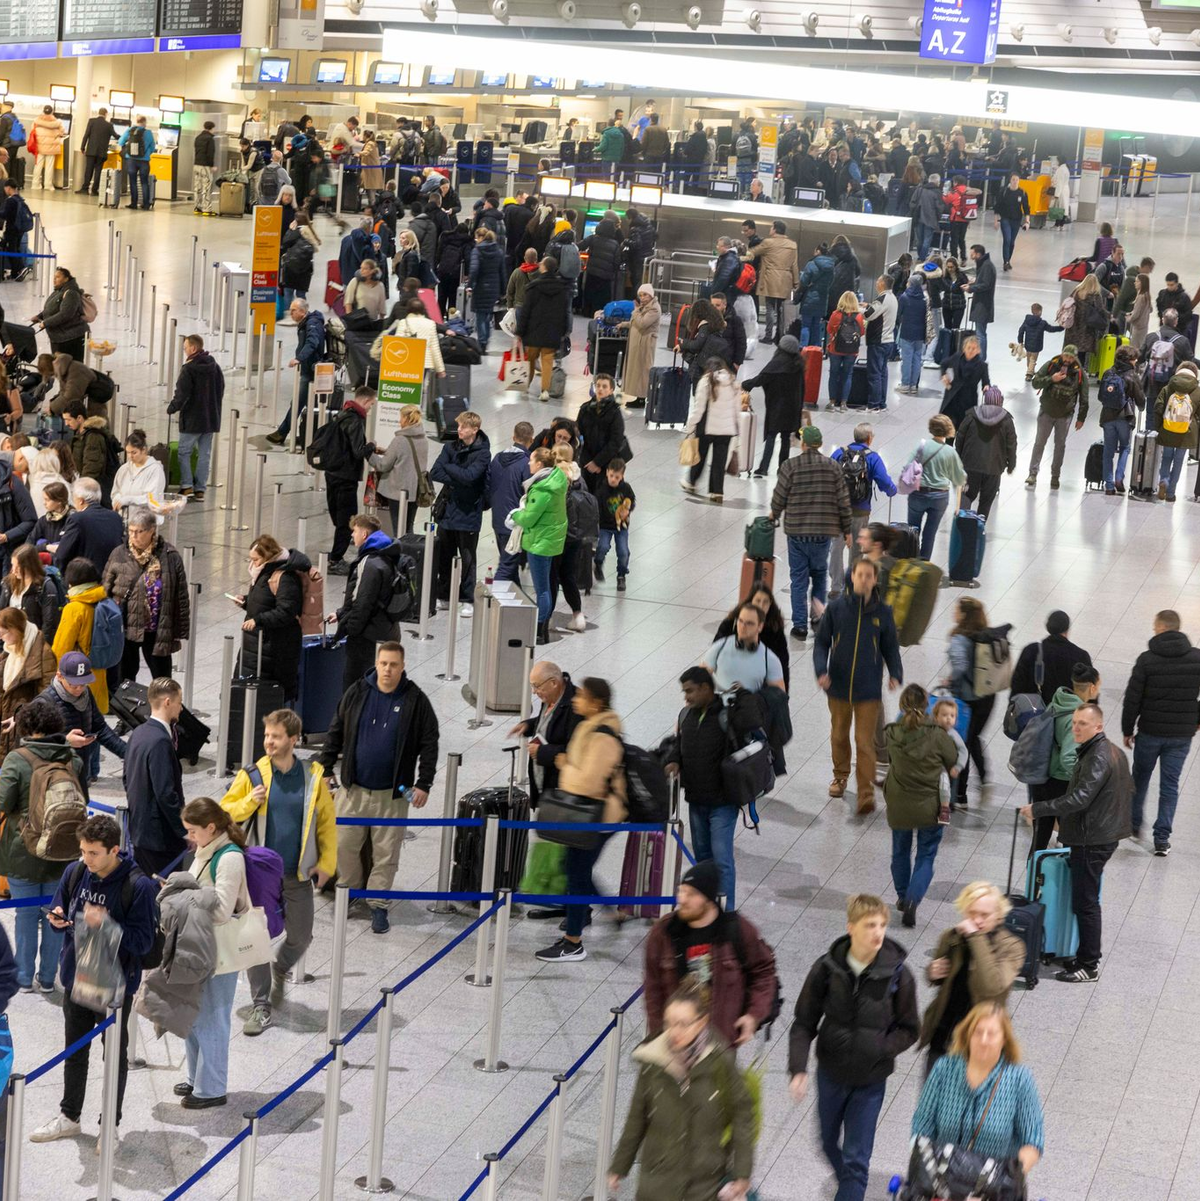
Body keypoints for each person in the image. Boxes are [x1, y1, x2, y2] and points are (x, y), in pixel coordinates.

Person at [31, 813, 158, 1142]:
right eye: (83, 851)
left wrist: (106, 925)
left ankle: (109, 1126)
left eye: (93, 853)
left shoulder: (138, 886)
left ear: (114, 850)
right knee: (74, 1052)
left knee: (113, 1057)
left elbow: (143, 942)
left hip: (114, 986)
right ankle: (69, 1116)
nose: (86, 859)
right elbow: (62, 906)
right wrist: (59, 918)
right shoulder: (75, 872)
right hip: (76, 978)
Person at [788, 894, 919, 1201]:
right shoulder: (827, 969)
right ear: (851, 928)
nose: (878, 932)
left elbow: (911, 1028)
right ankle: (849, 1183)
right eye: (870, 925)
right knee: (827, 1142)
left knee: (857, 1160)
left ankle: (850, 1187)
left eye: (882, 925)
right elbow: (803, 1023)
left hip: (870, 1082)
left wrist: (881, 1047)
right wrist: (798, 1069)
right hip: (831, 1073)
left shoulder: (898, 974)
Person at [221, 708, 335, 1035]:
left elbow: (326, 823)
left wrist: (326, 864)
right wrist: (248, 803)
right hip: (260, 876)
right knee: (256, 939)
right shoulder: (253, 775)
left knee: (301, 936)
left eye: (276, 736)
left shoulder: (313, 777)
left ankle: (280, 969)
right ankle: (261, 1006)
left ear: (293, 739)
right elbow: (224, 812)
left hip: (297, 874)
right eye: (267, 736)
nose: (269, 742)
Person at [317, 641, 438, 935]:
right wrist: (325, 767)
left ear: (403, 666)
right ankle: (349, 892)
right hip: (353, 789)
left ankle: (379, 904)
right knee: (345, 846)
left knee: (386, 852)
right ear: (377, 663)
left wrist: (423, 783)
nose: (387, 669)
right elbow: (336, 729)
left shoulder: (415, 700)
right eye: (383, 663)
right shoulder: (357, 692)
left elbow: (429, 742)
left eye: (394, 665)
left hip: (392, 794)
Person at [609, 978, 753, 1201]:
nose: (674, 1032)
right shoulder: (653, 1060)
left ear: (701, 1022)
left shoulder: (720, 1061)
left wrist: (742, 1171)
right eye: (669, 1023)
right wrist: (620, 1165)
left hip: (704, 1182)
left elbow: (743, 1111)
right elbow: (637, 1116)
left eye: (683, 1024)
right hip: (657, 1181)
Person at [1020, 701, 1132, 983]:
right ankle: (1081, 956)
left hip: (1092, 839)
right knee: (1085, 899)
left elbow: (1080, 798)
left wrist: (1040, 808)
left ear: (1098, 726)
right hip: (1100, 833)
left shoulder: (1098, 756)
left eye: (1083, 724)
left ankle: (1089, 964)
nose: (1076, 729)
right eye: (1074, 723)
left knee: (1086, 902)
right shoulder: (1111, 751)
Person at [534, 678, 627, 963]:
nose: (575, 700)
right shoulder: (591, 727)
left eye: (582, 696)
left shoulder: (603, 736)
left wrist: (563, 764)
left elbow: (587, 781)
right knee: (574, 867)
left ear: (596, 702)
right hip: (592, 815)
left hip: (600, 817)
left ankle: (573, 941)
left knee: (576, 871)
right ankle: (612, 910)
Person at [642, 858, 778, 1047]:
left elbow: (763, 972)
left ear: (708, 899)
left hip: (718, 1048)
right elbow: (653, 988)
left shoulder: (737, 931)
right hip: (672, 1043)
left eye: (691, 894)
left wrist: (753, 1015)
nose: (682, 899)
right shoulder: (664, 932)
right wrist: (658, 1035)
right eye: (681, 891)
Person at [0, 697, 81, 993]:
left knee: (25, 914)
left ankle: (23, 977)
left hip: (23, 850)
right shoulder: (73, 758)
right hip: (64, 850)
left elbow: (3, 801)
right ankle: (48, 978)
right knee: (56, 912)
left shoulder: (17, 759)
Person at [912, 1003, 1044, 1177]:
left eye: (992, 1034)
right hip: (943, 1183)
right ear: (967, 1035)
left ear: (1004, 1039)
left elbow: (1033, 1141)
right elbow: (922, 1126)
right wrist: (930, 1175)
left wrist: (1004, 1180)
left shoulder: (1019, 1079)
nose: (983, 1040)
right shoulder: (943, 1069)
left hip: (994, 1186)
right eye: (978, 1032)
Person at [816, 559, 902, 815]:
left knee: (865, 742)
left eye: (869, 575)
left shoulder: (883, 613)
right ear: (852, 577)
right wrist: (821, 671)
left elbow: (891, 648)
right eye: (859, 574)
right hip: (839, 686)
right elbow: (821, 643)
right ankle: (840, 776)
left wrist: (896, 673)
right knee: (839, 734)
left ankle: (865, 792)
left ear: (875, 580)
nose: (864, 579)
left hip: (868, 689)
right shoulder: (836, 608)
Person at [920, 883, 1025, 1074]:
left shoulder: (1012, 947)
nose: (976, 920)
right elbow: (942, 978)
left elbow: (991, 985)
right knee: (931, 1100)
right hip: (944, 1035)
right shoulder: (951, 938)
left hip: (981, 1041)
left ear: (999, 916)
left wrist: (976, 937)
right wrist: (932, 972)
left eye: (984, 915)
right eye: (971, 913)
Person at [663, 669, 748, 904]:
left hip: (723, 803)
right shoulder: (686, 716)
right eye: (684, 692)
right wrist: (673, 760)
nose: (686, 697)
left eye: (690, 691)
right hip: (696, 800)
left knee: (721, 860)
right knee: (703, 861)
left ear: (706, 688)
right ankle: (708, 909)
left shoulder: (726, 716)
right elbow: (678, 745)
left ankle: (727, 913)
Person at [1122, 609, 1200, 856]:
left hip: (1149, 732)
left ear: (1164, 628)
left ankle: (1134, 825)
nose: (1153, 631)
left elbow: (1132, 698)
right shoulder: (1197, 658)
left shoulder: (1146, 659)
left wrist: (1127, 729)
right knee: (1170, 785)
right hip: (1181, 736)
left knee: (1140, 779)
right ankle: (1162, 839)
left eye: (1155, 627)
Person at [882, 684, 956, 926]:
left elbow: (888, 758)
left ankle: (903, 897)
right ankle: (914, 900)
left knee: (900, 851)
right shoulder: (938, 735)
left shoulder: (892, 733)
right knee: (926, 854)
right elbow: (952, 759)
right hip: (930, 807)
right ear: (928, 707)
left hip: (899, 803)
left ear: (902, 705)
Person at [770, 424, 852, 640]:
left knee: (798, 579)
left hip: (797, 532)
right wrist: (847, 530)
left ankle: (799, 626)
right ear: (820, 444)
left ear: (804, 443)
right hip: (823, 533)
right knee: (818, 575)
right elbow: (843, 501)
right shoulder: (833, 467)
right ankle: (817, 618)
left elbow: (779, 495)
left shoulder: (790, 465)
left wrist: (774, 514)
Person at [102, 508, 189, 686]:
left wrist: (181, 630)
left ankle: (165, 711)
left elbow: (181, 596)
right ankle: (126, 712)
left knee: (162, 679)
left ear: (152, 531)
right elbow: (106, 588)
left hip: (157, 629)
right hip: (126, 628)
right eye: (131, 531)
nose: (133, 536)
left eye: (139, 531)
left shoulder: (170, 556)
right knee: (125, 677)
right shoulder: (119, 553)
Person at [121, 676, 187, 877]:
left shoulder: (138, 733)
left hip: (140, 832)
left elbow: (126, 778)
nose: (181, 709)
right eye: (179, 702)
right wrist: (184, 830)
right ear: (168, 702)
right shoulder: (160, 741)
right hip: (160, 840)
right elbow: (166, 793)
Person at [327, 513, 403, 688]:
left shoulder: (371, 563)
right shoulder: (387, 553)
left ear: (364, 534)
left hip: (368, 636)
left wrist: (350, 629)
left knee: (356, 688)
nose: (352, 535)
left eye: (354, 531)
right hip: (387, 629)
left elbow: (363, 602)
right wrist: (341, 614)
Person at [429, 410, 489, 617]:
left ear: (475, 429)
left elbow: (471, 477)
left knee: (467, 558)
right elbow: (435, 472)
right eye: (459, 425)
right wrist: (458, 475)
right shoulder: (449, 447)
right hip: (447, 510)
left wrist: (450, 468)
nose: (459, 430)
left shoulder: (483, 452)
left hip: (468, 512)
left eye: (463, 426)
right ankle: (443, 595)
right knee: (445, 555)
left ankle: (467, 598)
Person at [508, 446, 567, 645]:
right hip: (550, 539)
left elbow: (529, 519)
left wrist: (514, 514)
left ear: (540, 464)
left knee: (542, 589)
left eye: (532, 460)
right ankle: (543, 626)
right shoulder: (555, 479)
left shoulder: (542, 489)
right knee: (548, 586)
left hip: (540, 542)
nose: (528, 463)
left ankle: (540, 630)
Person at [828, 423, 897, 587]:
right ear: (869, 439)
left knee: (836, 548)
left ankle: (836, 586)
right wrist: (892, 491)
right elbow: (885, 482)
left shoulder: (839, 453)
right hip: (860, 510)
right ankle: (852, 585)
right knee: (858, 550)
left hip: (839, 510)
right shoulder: (872, 457)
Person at [318, 387, 375, 575]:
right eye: (371, 405)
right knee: (347, 519)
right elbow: (358, 451)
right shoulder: (356, 421)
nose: (370, 409)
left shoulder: (342, 413)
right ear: (365, 402)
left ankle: (338, 547)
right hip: (346, 476)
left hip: (332, 472)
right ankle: (336, 559)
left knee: (337, 515)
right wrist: (372, 447)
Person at [509, 660, 581, 811]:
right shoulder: (551, 696)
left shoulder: (576, 707)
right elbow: (548, 721)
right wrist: (529, 725)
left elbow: (575, 751)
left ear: (553, 683)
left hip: (561, 792)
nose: (534, 691)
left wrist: (541, 752)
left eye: (537, 686)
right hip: (544, 787)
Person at [167, 334, 224, 503]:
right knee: (204, 454)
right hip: (210, 418)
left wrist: (173, 407)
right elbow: (221, 389)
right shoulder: (215, 366)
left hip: (192, 419)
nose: (184, 351)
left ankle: (187, 486)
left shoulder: (188, 369)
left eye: (185, 348)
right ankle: (200, 490)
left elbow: (182, 394)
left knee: (184, 452)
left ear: (193, 348)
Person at [903, 415, 966, 561]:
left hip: (918, 494)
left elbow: (908, 467)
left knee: (913, 530)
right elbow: (959, 478)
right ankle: (924, 565)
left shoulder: (922, 446)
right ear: (948, 430)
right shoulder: (950, 452)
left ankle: (910, 562)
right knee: (930, 534)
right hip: (940, 497)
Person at [51, 558, 110, 715]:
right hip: (98, 671)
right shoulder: (103, 601)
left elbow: (61, 648)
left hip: (77, 677)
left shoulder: (74, 608)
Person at [1026, 345, 1089, 490]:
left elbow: (1084, 397)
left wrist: (1081, 418)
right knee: (1039, 443)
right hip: (1046, 412)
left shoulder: (1079, 373)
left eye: (1071, 357)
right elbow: (1035, 382)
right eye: (1066, 356)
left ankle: (1055, 476)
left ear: (1075, 358)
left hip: (1065, 416)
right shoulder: (1050, 365)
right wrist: (1051, 379)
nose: (1067, 360)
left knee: (1060, 446)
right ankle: (1032, 473)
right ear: (1062, 355)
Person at [742, 335, 804, 477]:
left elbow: (762, 378)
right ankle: (783, 468)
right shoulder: (798, 365)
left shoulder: (776, 363)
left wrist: (746, 384)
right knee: (785, 438)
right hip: (792, 408)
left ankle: (764, 467)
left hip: (777, 407)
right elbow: (802, 389)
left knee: (771, 436)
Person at [267, 299, 325, 447]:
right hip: (309, 369)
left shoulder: (312, 324)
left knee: (298, 403)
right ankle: (309, 435)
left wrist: (299, 358)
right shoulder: (309, 322)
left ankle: (282, 432)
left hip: (311, 372)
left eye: (293, 310)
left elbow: (313, 342)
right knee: (307, 405)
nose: (291, 313)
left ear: (302, 311)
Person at [954, 386, 1017, 520]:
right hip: (994, 468)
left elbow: (960, 438)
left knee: (967, 495)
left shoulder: (971, 416)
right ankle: (979, 529)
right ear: (1000, 401)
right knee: (986, 501)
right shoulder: (1006, 420)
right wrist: (1011, 464)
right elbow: (1011, 445)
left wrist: (958, 459)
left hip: (970, 465)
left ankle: (963, 527)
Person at [515, 257, 572, 401]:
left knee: (531, 361)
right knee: (547, 361)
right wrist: (564, 331)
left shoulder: (533, 287)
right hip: (552, 331)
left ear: (544, 267)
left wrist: (519, 332)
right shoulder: (562, 289)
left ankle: (526, 387)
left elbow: (525, 311)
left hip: (534, 330)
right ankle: (545, 391)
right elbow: (565, 311)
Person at [682, 358, 739, 504]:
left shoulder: (706, 381)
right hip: (726, 430)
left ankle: (691, 483)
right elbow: (736, 409)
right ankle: (717, 492)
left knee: (700, 456)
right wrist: (736, 427)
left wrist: (690, 426)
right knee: (719, 462)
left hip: (707, 428)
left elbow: (699, 409)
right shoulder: (733, 381)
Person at [369, 404, 427, 538]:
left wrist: (369, 455)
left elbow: (383, 466)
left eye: (400, 418)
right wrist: (386, 452)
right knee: (408, 528)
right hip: (415, 491)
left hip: (398, 492)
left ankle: (400, 556)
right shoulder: (423, 439)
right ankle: (409, 554)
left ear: (406, 419)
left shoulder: (400, 440)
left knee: (398, 529)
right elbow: (409, 458)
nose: (399, 421)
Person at [746, 220, 799, 345]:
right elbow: (794, 265)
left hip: (770, 278)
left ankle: (768, 335)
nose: (770, 230)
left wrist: (739, 254)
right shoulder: (792, 245)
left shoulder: (768, 243)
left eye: (771, 227)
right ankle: (780, 335)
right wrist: (796, 282)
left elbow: (753, 252)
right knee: (781, 309)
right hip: (785, 280)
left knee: (770, 307)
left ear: (775, 229)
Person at [1152, 360, 1200, 502]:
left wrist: (1159, 427)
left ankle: (1164, 480)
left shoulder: (1168, 388)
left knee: (1166, 457)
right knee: (1178, 461)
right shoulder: (1197, 391)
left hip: (1168, 429)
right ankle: (1171, 493)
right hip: (1186, 433)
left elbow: (1158, 408)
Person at [53, 478, 122, 576]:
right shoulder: (115, 517)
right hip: (112, 577)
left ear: (81, 501)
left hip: (86, 578)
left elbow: (62, 555)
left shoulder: (77, 519)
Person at [2, 544, 63, 641]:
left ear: (30, 566)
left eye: (18, 567)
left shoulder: (46, 586)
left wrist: (40, 647)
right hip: (9, 643)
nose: (14, 570)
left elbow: (49, 623)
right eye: (13, 565)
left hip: (33, 643)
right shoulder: (8, 583)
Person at [593, 456, 635, 592]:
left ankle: (621, 575)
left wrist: (628, 510)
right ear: (607, 473)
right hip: (605, 526)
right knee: (602, 547)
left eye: (617, 477)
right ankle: (598, 563)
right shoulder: (601, 488)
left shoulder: (626, 488)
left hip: (621, 527)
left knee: (623, 551)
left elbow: (631, 501)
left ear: (622, 477)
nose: (613, 479)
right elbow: (596, 505)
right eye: (611, 476)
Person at [63, 403, 116, 506]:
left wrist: (81, 489)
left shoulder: (93, 437)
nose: (66, 424)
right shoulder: (81, 434)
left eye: (69, 420)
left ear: (79, 418)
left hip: (91, 490)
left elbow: (92, 467)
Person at [618, 284, 661, 409]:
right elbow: (635, 322)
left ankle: (642, 397)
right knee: (637, 370)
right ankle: (638, 396)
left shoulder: (654, 309)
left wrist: (635, 310)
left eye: (645, 295)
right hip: (638, 343)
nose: (642, 298)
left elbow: (642, 323)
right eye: (640, 295)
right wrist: (625, 324)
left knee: (643, 371)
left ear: (651, 295)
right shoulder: (643, 307)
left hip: (645, 344)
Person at [32, 268, 88, 362]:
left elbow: (66, 314)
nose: (54, 279)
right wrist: (39, 316)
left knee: (69, 368)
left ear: (66, 279)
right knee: (60, 367)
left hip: (70, 338)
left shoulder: (71, 293)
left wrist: (46, 323)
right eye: (54, 277)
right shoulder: (59, 290)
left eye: (57, 277)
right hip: (59, 337)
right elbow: (52, 308)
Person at [938, 334, 990, 429]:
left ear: (978, 350)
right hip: (953, 397)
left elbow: (986, 382)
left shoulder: (982, 365)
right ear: (964, 348)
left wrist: (986, 387)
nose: (970, 350)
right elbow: (943, 364)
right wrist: (944, 375)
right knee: (950, 428)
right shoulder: (957, 357)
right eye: (968, 347)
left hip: (969, 400)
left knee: (965, 429)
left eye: (973, 348)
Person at [467, 228, 506, 352]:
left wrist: (470, 285)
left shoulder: (477, 251)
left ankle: (482, 342)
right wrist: (503, 290)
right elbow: (502, 272)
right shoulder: (499, 251)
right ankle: (486, 340)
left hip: (480, 286)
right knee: (488, 314)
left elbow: (474, 270)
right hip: (493, 287)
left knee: (480, 315)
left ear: (479, 237)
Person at [826, 292, 865, 412]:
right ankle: (844, 404)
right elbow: (862, 332)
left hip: (836, 349)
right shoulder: (858, 316)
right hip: (852, 351)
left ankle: (832, 403)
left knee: (834, 374)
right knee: (847, 375)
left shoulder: (836, 314)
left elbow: (829, 330)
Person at [110, 430, 165, 513]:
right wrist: (117, 500)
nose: (130, 456)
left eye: (134, 452)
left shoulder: (155, 470)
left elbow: (152, 498)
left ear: (144, 450)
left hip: (146, 519)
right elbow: (115, 491)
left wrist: (127, 500)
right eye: (128, 452)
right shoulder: (124, 469)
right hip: (125, 518)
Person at [1063, 274, 1110, 367]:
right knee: (1082, 352)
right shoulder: (1095, 295)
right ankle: (1079, 369)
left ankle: (1068, 366)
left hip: (1073, 325)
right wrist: (1109, 316)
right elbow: (1100, 309)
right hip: (1086, 328)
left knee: (1071, 349)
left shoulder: (1076, 292)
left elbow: (1068, 302)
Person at [276, 214, 320, 317]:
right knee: (301, 294)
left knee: (288, 292)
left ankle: (289, 314)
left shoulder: (295, 232)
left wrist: (290, 230)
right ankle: (302, 314)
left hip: (291, 268)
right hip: (305, 269)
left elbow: (285, 243)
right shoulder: (310, 233)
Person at [796, 243, 835, 348]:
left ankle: (803, 348)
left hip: (809, 298)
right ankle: (816, 349)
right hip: (822, 299)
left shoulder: (811, 264)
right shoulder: (831, 267)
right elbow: (831, 282)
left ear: (818, 251)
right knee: (816, 325)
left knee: (806, 325)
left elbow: (804, 282)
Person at [1014, 302, 1064, 382]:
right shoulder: (1042, 323)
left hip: (1028, 345)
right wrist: (1061, 328)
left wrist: (1020, 340)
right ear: (1040, 312)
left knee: (1029, 359)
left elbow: (1021, 330)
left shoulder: (1026, 321)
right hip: (1037, 345)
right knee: (1033, 359)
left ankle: (1030, 370)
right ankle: (1029, 374)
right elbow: (1051, 329)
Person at [964, 244, 996, 360]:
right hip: (982, 304)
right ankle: (981, 357)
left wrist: (971, 288)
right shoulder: (984, 265)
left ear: (978, 254)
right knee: (981, 332)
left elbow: (986, 284)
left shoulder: (986, 266)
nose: (971, 256)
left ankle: (981, 358)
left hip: (983, 305)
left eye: (972, 254)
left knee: (980, 334)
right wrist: (973, 283)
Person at [993, 172, 1030, 270]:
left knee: (1012, 242)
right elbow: (998, 206)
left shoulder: (1022, 193)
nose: (1015, 182)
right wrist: (996, 220)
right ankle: (1005, 261)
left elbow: (1026, 208)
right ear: (1010, 180)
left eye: (1017, 180)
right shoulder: (1004, 192)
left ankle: (1008, 259)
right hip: (1005, 218)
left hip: (1016, 219)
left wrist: (1027, 221)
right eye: (1013, 179)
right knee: (1007, 239)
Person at [118, 116, 156, 210]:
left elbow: (121, 142)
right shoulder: (148, 133)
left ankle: (134, 203)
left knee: (133, 182)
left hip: (131, 160)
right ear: (144, 122)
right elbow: (152, 147)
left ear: (137, 121)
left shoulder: (130, 130)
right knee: (144, 182)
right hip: (144, 161)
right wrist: (146, 154)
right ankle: (146, 204)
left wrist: (127, 149)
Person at [77, 108, 116, 197]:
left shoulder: (91, 121)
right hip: (101, 152)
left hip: (91, 150)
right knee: (98, 171)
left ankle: (85, 189)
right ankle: (95, 190)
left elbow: (86, 135)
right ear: (106, 114)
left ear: (98, 113)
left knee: (88, 170)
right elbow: (115, 135)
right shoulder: (109, 125)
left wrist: (82, 147)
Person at [191, 120, 216, 214]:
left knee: (197, 187)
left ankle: (197, 207)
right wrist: (211, 166)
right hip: (205, 166)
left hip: (196, 164)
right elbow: (210, 153)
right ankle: (207, 209)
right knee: (207, 187)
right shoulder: (210, 139)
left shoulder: (198, 137)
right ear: (211, 128)